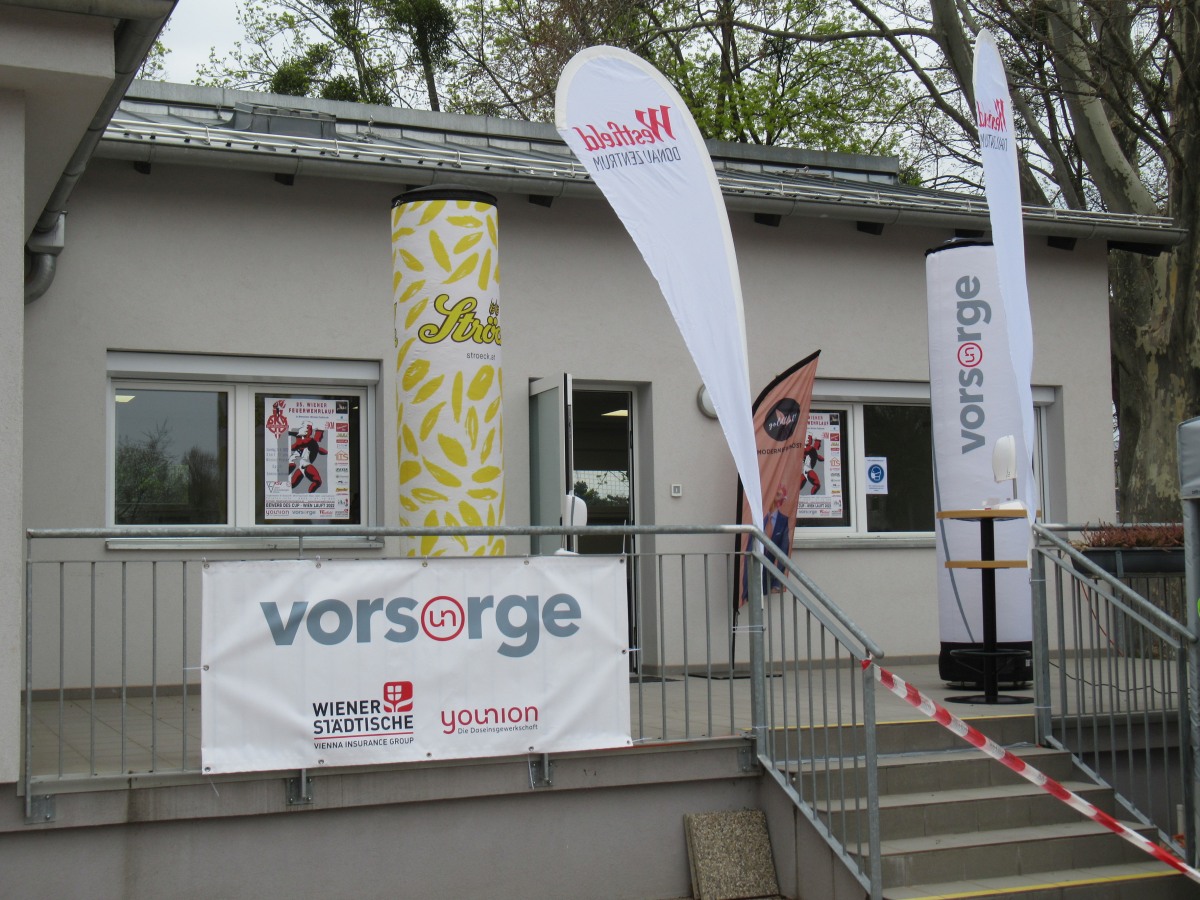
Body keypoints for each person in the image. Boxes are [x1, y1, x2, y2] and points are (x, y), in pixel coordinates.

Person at [287, 422, 327, 493]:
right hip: (306, 465)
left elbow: (324, 452)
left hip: (302, 466)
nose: (322, 436)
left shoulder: (313, 443)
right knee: (318, 481)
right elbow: (296, 445)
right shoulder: (310, 441)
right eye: (320, 433)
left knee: (292, 485)